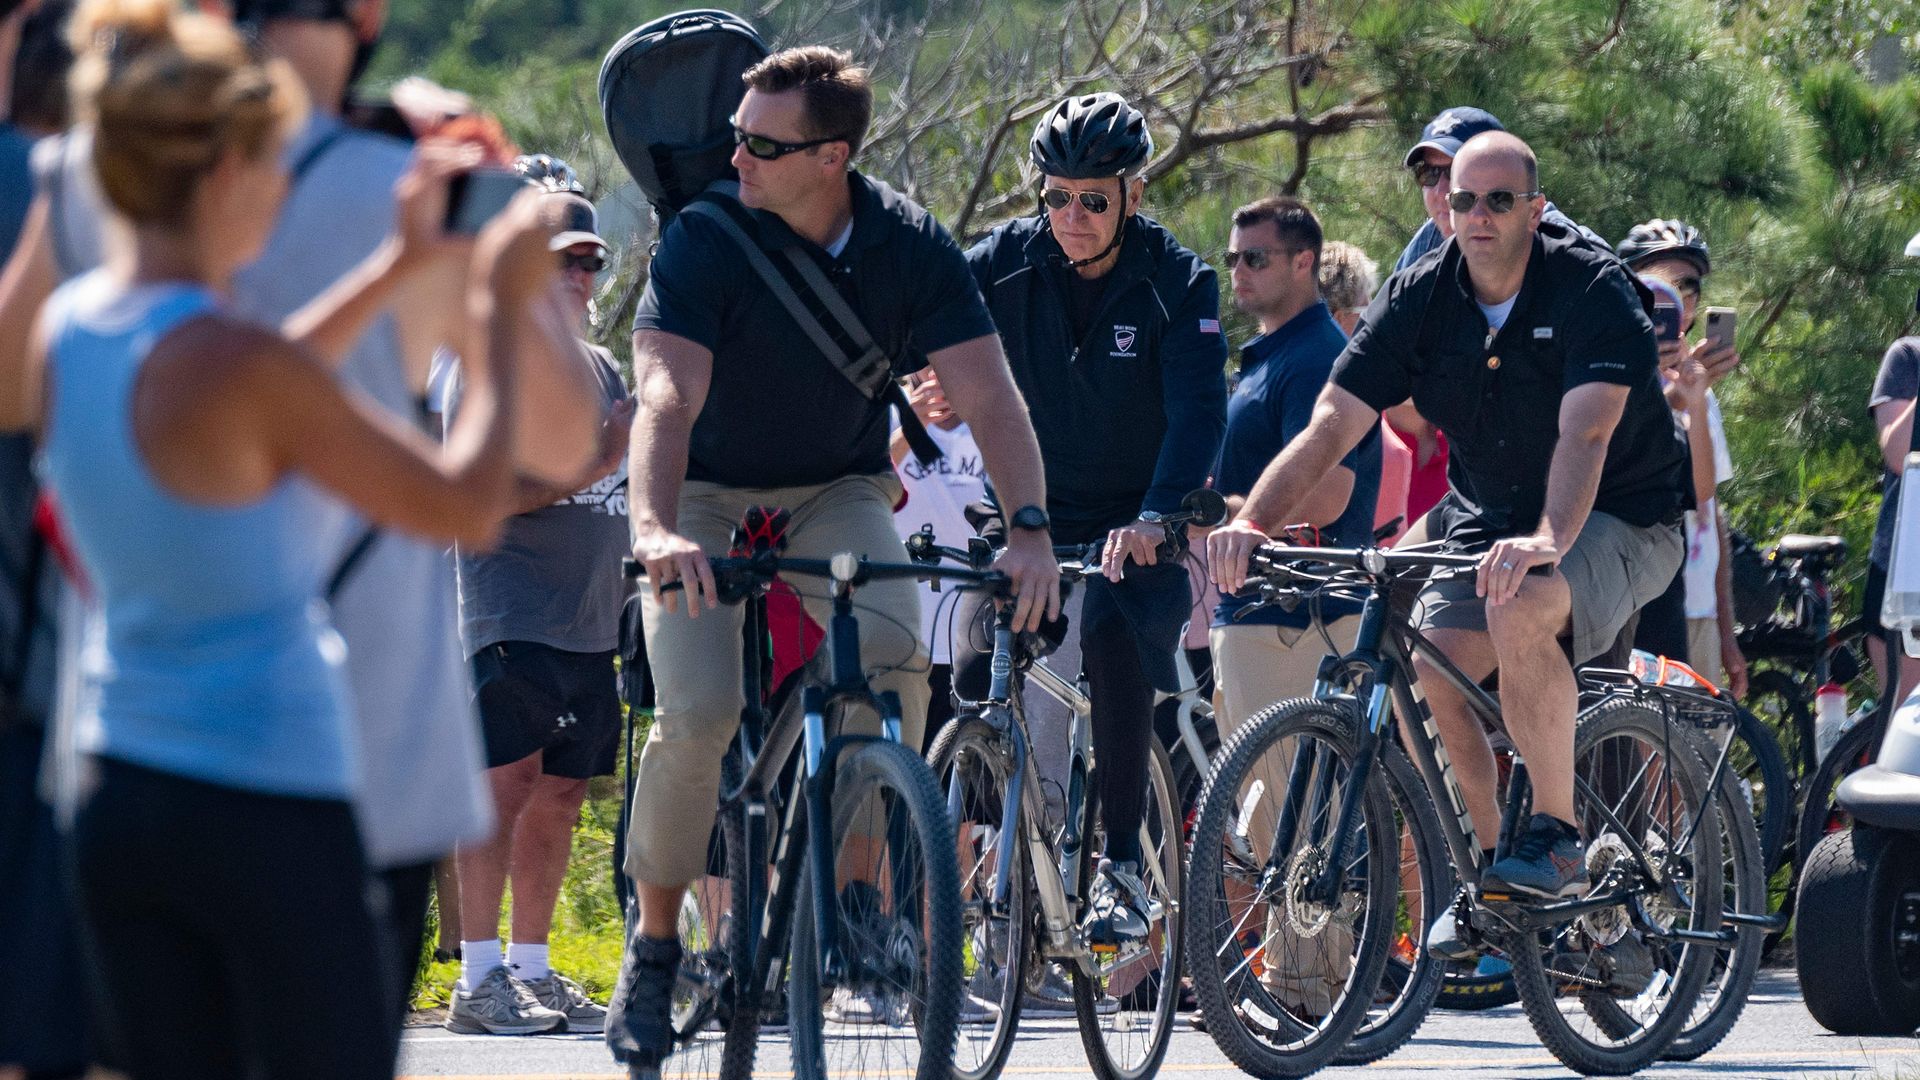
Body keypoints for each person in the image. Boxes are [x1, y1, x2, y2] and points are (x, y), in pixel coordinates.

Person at [2, 2, 565, 1075]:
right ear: (220, 174)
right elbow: (466, 503)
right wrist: (490, 307)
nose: (284, 181)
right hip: (266, 800)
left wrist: (393, 273)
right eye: (270, 161)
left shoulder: (82, 329)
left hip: (117, 787)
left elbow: (236, 390)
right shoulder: (241, 369)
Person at [610, 46, 1057, 1074]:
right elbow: (665, 399)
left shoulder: (909, 245)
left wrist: (1030, 528)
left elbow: (989, 398)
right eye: (735, 136)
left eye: (761, 144)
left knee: (895, 648)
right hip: (703, 495)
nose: (736, 157)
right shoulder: (704, 239)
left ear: (834, 157)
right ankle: (657, 942)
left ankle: (859, 892)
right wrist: (654, 527)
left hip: (836, 488)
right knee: (697, 712)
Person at [1209, 134, 1688, 967]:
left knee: (1523, 604)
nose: (1475, 215)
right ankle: (1498, 871)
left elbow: (1589, 431)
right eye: (1462, 200)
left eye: (1499, 201)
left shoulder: (1591, 286)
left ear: (1535, 210)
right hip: (1489, 513)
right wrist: (1253, 521)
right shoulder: (1422, 295)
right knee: (1429, 658)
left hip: (1620, 513)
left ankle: (1558, 834)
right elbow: (1334, 421)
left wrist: (1546, 539)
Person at [961, 91, 1226, 952]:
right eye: (1056, 197)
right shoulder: (1002, 264)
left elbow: (1197, 417)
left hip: (1136, 519)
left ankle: (1118, 866)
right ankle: (986, 858)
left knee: (1113, 633)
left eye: (1094, 200)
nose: (1071, 217)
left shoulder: (1178, 284)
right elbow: (920, 322)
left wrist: (1157, 516)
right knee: (977, 656)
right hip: (1036, 515)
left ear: (1134, 195)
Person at [446, 163, 631, 1036]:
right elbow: (477, 493)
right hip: (510, 610)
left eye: (589, 261)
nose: (577, 277)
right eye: (560, 259)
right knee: (502, 783)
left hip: (594, 619)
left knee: (560, 793)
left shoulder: (599, 365)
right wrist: (601, 459)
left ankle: (531, 967)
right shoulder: (491, 355)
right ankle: (475, 980)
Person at [1210, 196, 1378, 729]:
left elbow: (1328, 498)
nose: (1239, 271)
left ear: (1303, 261)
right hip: (1265, 612)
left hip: (1299, 618)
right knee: (1259, 808)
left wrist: (1223, 510)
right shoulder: (1274, 355)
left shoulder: (1312, 358)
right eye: (1232, 259)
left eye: (1255, 259)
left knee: (1280, 811)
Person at [1618, 218, 1746, 692]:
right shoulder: (1610, 370)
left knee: (1689, 754)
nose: (1674, 300)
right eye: (1656, 286)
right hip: (1627, 594)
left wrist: (1727, 630)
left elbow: (1709, 506)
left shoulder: (1699, 387)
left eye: (1686, 287)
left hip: (1695, 605)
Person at [889, 367, 986, 748]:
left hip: (972, 630)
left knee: (969, 780)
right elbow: (860, 482)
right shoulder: (886, 412)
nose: (932, 368)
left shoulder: (993, 414)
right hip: (903, 628)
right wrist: (912, 424)